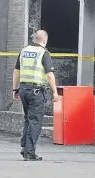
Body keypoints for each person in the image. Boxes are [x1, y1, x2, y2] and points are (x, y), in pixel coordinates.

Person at [12, 30, 60, 161]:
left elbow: (16, 71)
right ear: (45, 40)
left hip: (23, 89)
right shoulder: (44, 53)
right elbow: (49, 75)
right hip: (36, 92)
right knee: (35, 121)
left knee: (28, 119)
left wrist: (15, 89)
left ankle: (24, 147)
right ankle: (29, 152)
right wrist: (55, 92)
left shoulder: (24, 50)